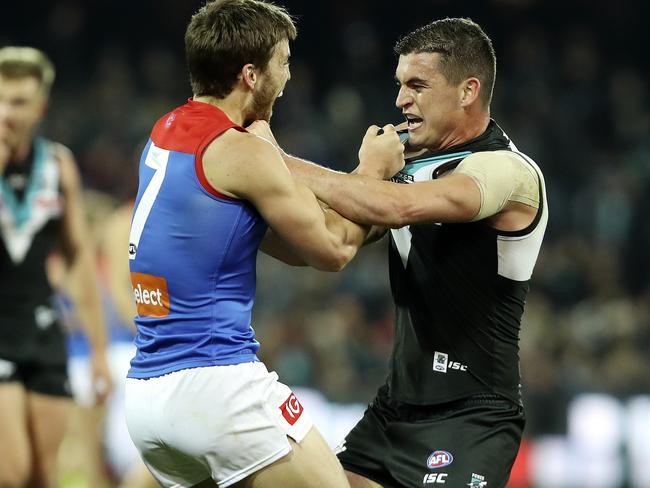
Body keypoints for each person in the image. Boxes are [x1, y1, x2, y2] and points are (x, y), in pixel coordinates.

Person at [249, 17, 549, 488]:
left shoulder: (508, 172)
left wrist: (276, 160)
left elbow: (401, 206)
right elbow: (330, 240)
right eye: (399, 85)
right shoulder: (402, 166)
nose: (400, 100)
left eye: (417, 85)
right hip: (394, 410)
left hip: (470, 417)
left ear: (468, 91)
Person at [123, 1, 404, 488]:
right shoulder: (241, 151)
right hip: (215, 385)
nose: (289, 75)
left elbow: (289, 246)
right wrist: (372, 174)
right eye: (284, 61)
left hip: (147, 400)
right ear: (251, 75)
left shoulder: (165, 131)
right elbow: (332, 250)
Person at [0, 46, 112, 487]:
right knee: (11, 471)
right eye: (1, 99)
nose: (7, 112)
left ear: (40, 107)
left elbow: (79, 257)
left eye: (20, 102)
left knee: (44, 475)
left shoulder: (58, 165)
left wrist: (99, 350)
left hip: (42, 331)